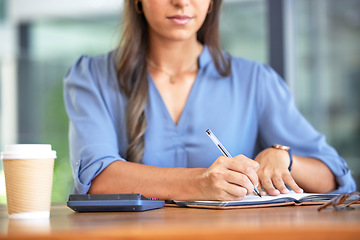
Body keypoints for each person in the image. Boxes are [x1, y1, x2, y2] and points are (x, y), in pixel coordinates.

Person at [63, 0, 356, 200]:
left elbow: (335, 178)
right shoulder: (91, 76)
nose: (181, 1)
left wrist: (285, 159)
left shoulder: (254, 80)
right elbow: (97, 178)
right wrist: (200, 183)